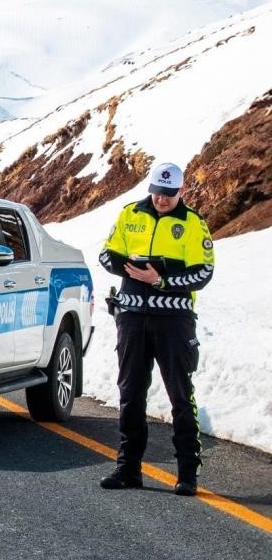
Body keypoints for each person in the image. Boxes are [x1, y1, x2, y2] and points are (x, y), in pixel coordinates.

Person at [98, 162, 215, 496]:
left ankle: (187, 474)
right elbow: (106, 255)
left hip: (174, 322)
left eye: (170, 194)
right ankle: (128, 469)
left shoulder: (193, 223)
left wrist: (161, 280)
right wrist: (129, 267)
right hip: (132, 317)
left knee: (180, 394)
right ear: (150, 187)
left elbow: (203, 272)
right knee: (130, 393)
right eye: (158, 192)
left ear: (182, 191)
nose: (162, 200)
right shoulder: (130, 214)